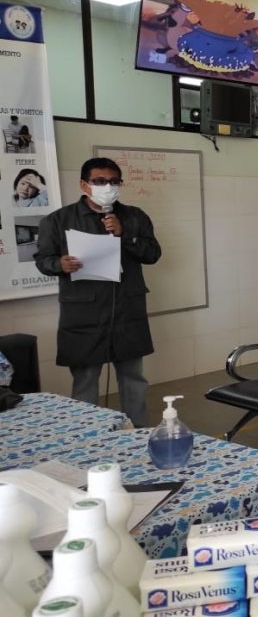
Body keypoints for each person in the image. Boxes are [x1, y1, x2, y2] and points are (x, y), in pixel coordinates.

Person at [34, 157, 161, 426]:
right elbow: (43, 260)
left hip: (127, 310)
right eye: (99, 181)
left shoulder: (134, 216)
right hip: (84, 312)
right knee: (85, 380)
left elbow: (152, 254)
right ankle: (87, 435)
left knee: (133, 379)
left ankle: (138, 433)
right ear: (84, 184)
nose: (108, 187)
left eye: (114, 181)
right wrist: (59, 264)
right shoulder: (58, 220)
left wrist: (125, 235)